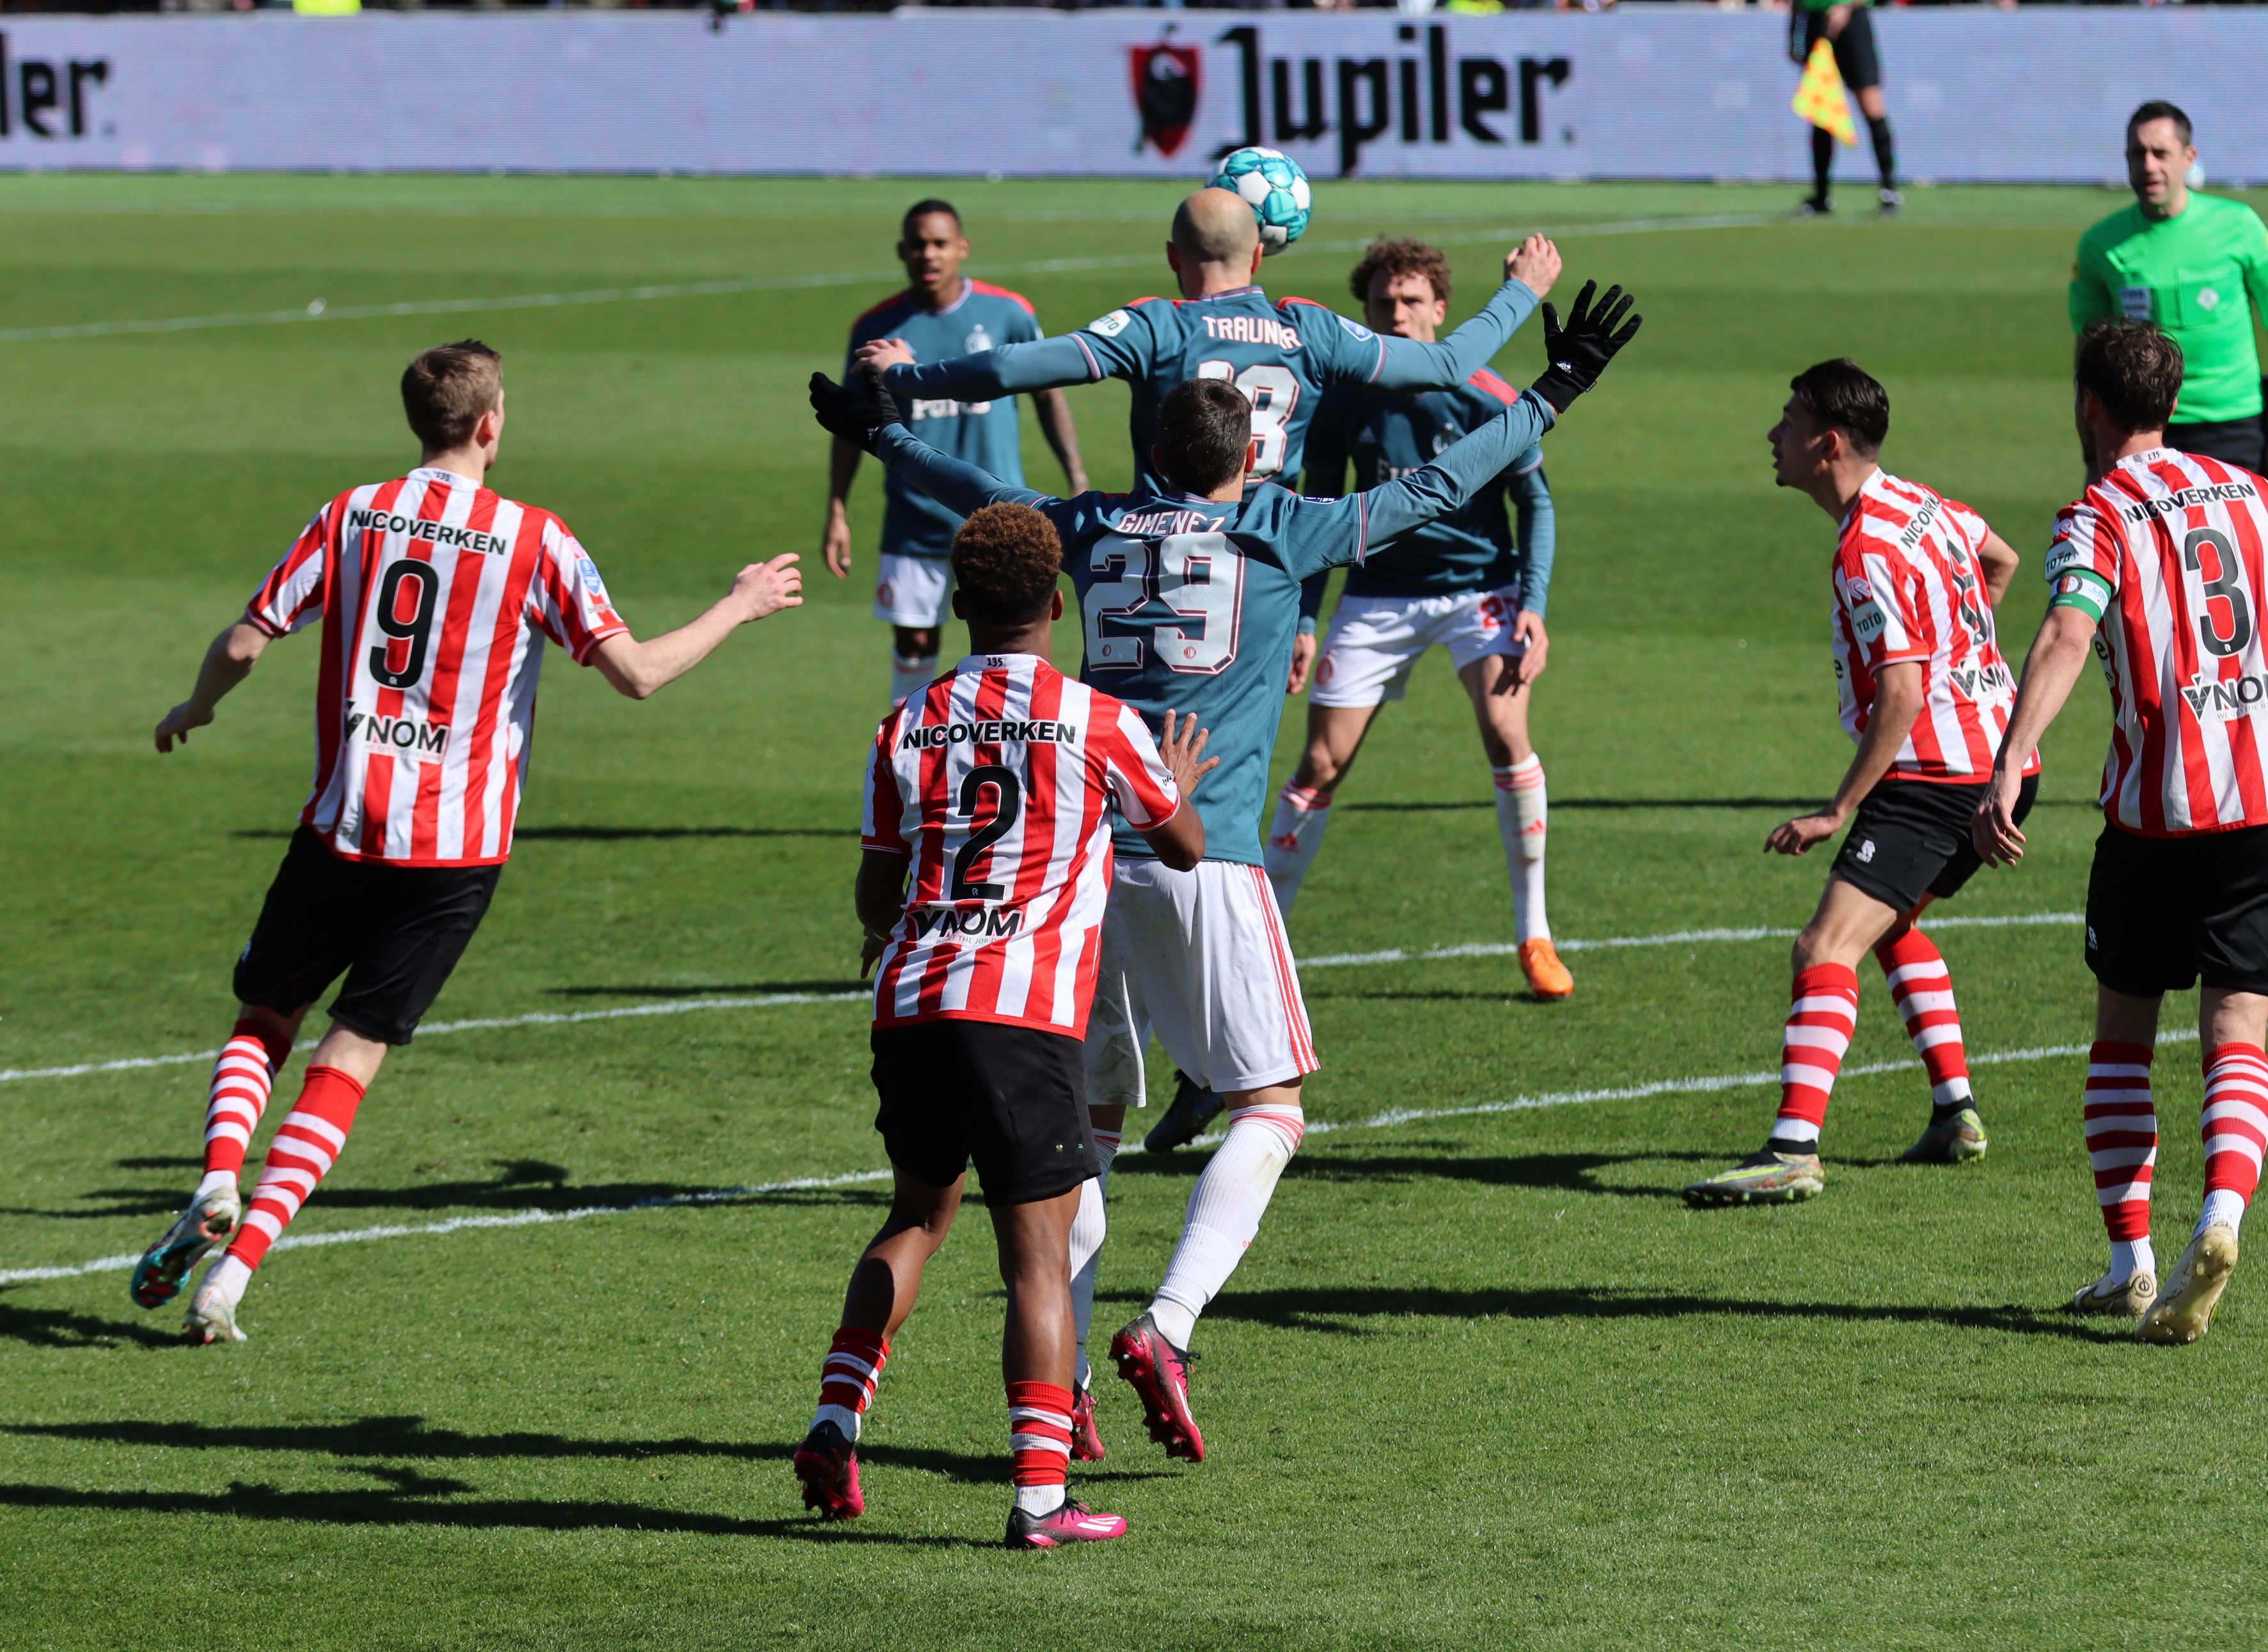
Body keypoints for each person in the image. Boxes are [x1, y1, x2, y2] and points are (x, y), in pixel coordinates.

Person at [808, 277, 1640, 1462]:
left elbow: (981, 493)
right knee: (1270, 1105)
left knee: (1085, 1135)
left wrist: (880, 430)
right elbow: (1442, 485)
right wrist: (1555, 390)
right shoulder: (1280, 526)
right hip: (1206, 850)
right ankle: (1171, 1321)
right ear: (1252, 452)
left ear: (1150, 445)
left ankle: (1075, 1383)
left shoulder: (1088, 528)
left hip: (1082, 871)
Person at [135, 341, 804, 1344]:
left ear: (418, 420)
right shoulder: (536, 538)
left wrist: (197, 703)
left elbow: (245, 639)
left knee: (265, 1014)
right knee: (350, 1054)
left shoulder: (352, 511)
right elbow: (637, 674)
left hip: (342, 825)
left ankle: (220, 1174)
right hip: (454, 854)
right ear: (491, 423)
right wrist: (740, 604)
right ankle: (231, 1277)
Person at [792, 502, 1213, 1548]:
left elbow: (873, 890)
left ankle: (836, 1413)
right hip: (1019, 1012)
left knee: (916, 1217)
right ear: (1058, 601)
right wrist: (1183, 786)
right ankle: (1039, 1498)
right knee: (1039, 1254)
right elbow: (1186, 845)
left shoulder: (909, 722)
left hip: (914, 999)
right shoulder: (1094, 718)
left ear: (961, 606)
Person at [1975, 320, 2268, 1344]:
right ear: (2171, 402)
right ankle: (2219, 1217)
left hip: (2155, 818)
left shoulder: (2095, 515)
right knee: (2239, 1036)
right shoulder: (2254, 495)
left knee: (2122, 1035)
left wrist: (2012, 754)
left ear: (2089, 404)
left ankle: (2130, 1260)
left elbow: (2066, 628)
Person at [1683, 359, 2034, 1208]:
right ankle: (1955, 1112)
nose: (1774, 435)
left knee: (1823, 946)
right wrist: (1968, 651)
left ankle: (1793, 1147)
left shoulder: (1865, 548)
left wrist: (1837, 808)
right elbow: (2001, 556)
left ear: (1827, 443)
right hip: (2002, 758)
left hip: (1937, 775)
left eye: (1787, 420)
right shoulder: (1920, 502)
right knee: (1892, 920)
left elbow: (1906, 692)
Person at [1260, 236, 1572, 1002]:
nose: (1396, 315)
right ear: (1364, 316)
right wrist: (1305, 619)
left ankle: (1535, 933)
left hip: (1481, 591)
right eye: (1381, 305)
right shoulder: (1342, 404)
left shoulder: (1486, 395)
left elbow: (1535, 503)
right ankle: (1262, 943)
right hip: (1376, 598)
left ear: (1441, 309)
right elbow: (1317, 519)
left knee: (1507, 736)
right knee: (1320, 766)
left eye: (1410, 302)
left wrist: (1532, 605)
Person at [854, 188, 1561, 500]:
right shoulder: (1306, 327)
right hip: (1275, 548)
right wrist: (1520, 292)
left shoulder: (1153, 325)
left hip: (1158, 553)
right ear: (1259, 259)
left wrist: (910, 378)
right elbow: (1445, 365)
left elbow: (1012, 368)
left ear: (1173, 256)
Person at [2070, 100, 2268, 803]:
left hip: (2232, 428)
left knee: (2265, 595)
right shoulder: (2105, 245)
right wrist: (2092, 458)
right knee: (2153, 593)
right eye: (2138, 154)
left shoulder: (2239, 226)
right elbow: (2090, 361)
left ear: (2190, 158)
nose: (2148, 167)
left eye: (2162, 153)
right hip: (2143, 435)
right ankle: (2168, 746)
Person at [824, 199, 1091, 707]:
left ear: (961, 248)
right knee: (914, 641)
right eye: (919, 244)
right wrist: (837, 506)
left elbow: (1048, 396)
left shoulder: (1009, 313)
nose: (930, 254)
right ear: (902, 251)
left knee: (1014, 645)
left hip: (1000, 519)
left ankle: (1026, 742)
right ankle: (908, 740)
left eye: (940, 243)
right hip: (913, 516)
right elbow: (850, 425)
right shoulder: (875, 328)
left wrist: (1075, 474)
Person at [1788, 0, 1900, 218]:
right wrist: (1794, 30)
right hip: (1815, 22)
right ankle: (1821, 196)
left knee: (1871, 104)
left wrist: (1847, 6)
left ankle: (1889, 190)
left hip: (1852, 21)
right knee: (1821, 110)